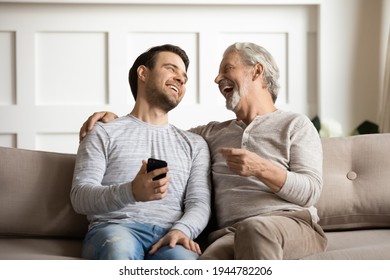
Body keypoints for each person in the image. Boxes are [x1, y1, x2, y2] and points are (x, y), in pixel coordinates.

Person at [79, 42, 327, 259]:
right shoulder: (209, 135)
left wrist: (262, 169)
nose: (217, 79)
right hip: (232, 233)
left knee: (256, 229)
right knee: (204, 265)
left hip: (291, 223)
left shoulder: (295, 124)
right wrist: (113, 120)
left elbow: (310, 192)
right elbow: (159, 132)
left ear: (257, 70)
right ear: (143, 74)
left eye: (227, 69)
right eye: (171, 70)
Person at [71, 44, 211, 260]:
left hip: (170, 235)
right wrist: (132, 192)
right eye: (171, 69)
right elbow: (80, 197)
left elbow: (199, 203)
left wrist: (182, 230)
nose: (181, 79)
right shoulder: (102, 131)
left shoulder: (195, 144)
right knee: (119, 250)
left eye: (184, 77)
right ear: (143, 73)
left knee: (183, 263)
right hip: (115, 229)